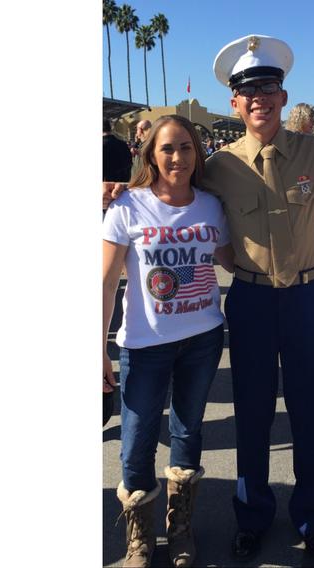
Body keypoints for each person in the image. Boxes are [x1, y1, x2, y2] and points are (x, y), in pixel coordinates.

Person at [202, 34, 314, 565]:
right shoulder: (216, 166)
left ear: (284, 97)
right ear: (233, 103)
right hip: (252, 302)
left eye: (268, 87)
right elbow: (167, 196)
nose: (258, 97)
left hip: (306, 298)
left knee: (309, 414)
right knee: (252, 415)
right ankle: (252, 515)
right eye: (247, 90)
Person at [102, 114, 235, 568]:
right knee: (136, 440)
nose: (177, 157)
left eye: (185, 147)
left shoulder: (211, 206)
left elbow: (233, 257)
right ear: (150, 155)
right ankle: (139, 534)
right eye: (166, 149)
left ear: (197, 152)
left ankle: (180, 526)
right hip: (145, 344)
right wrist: (96, 346)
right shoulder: (127, 206)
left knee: (187, 430)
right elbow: (104, 282)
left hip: (202, 337)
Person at [103, 117, 134, 184]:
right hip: (124, 185)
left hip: (106, 187)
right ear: (110, 128)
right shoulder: (123, 144)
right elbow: (129, 164)